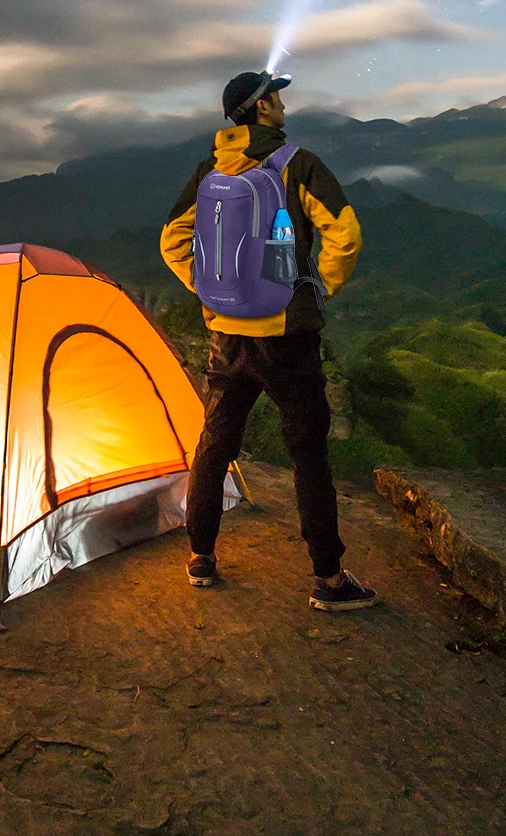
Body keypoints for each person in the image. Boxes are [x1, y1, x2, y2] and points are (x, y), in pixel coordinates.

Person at [159, 70, 377, 611]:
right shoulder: (297, 162)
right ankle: (328, 579)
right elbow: (344, 231)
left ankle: (201, 558)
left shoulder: (211, 167)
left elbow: (172, 239)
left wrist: (212, 292)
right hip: (286, 333)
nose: (281, 102)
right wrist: (320, 286)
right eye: (275, 96)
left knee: (216, 442)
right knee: (308, 453)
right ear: (260, 109)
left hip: (225, 334)